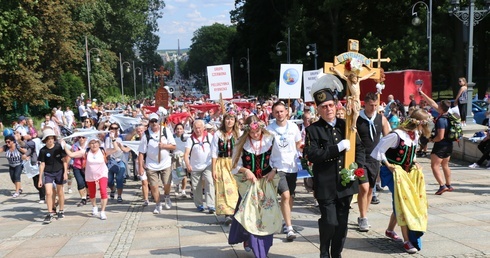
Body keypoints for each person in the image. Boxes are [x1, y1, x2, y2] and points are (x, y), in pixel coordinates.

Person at [303, 73, 365, 258]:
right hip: (326, 184)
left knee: (342, 223)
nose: (328, 109)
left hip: (345, 184)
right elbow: (312, 154)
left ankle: (336, 254)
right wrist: (336, 148)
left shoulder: (346, 125)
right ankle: (324, 251)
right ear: (318, 109)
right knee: (330, 221)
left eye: (330, 105)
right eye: (324, 107)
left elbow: (360, 148)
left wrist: (357, 168)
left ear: (336, 104)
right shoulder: (313, 130)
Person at [371, 108, 431, 254]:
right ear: (418, 123)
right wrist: (388, 165)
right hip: (392, 173)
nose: (425, 129)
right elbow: (379, 150)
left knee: (400, 202)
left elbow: (412, 153)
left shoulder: (415, 134)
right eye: (424, 125)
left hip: (406, 172)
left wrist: (415, 162)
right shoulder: (397, 135)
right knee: (402, 204)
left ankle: (390, 230)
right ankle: (406, 240)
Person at [228, 115, 281, 258]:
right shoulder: (241, 143)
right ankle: (253, 244)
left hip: (265, 183)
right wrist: (246, 171)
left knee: (266, 215)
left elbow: (278, 160)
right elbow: (235, 166)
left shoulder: (270, 140)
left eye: (257, 132)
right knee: (249, 214)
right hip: (248, 184)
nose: (255, 135)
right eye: (252, 133)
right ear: (247, 132)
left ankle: (263, 247)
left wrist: (273, 171)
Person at [267, 101, 302, 241]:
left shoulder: (293, 127)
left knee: (290, 196)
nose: (279, 114)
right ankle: (289, 228)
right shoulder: (269, 129)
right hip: (277, 167)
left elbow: (299, 144)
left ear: (287, 112)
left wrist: (304, 150)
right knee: (285, 196)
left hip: (292, 166)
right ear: (273, 113)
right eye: (277, 112)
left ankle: (285, 220)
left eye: (282, 111)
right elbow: (265, 149)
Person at [355, 92, 391, 232]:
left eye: (376, 105)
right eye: (371, 105)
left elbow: (388, 137)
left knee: (370, 188)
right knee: (363, 188)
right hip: (360, 157)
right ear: (365, 104)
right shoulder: (358, 118)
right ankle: (363, 218)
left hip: (375, 158)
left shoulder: (381, 118)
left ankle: (363, 214)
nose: (373, 108)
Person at [63, 137, 116, 220]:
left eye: (96, 143)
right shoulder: (85, 152)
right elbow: (71, 154)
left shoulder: (103, 151)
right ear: (89, 145)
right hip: (90, 175)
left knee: (103, 190)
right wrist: (64, 146)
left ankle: (102, 211)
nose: (94, 145)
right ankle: (94, 206)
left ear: (99, 144)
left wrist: (113, 139)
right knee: (92, 192)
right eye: (92, 143)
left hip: (102, 174)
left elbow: (116, 149)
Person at [138, 113, 176, 214]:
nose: (154, 123)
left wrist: (164, 146)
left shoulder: (165, 131)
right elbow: (141, 152)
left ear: (159, 121)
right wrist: (140, 167)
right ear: (149, 123)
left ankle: (167, 196)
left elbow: (173, 146)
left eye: (156, 121)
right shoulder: (146, 135)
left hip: (165, 163)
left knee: (167, 183)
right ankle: (158, 204)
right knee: (154, 186)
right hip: (151, 164)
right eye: (152, 121)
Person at [420, 90, 454, 195]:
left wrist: (431, 140)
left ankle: (442, 185)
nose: (437, 105)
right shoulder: (449, 115)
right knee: (445, 164)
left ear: (441, 108)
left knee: (434, 166)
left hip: (441, 145)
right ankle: (448, 185)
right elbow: (432, 103)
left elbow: (440, 136)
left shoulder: (441, 120)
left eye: (438, 105)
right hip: (449, 144)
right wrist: (423, 93)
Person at [211, 112, 240, 225]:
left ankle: (235, 211)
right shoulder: (218, 134)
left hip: (234, 163)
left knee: (235, 187)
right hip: (222, 162)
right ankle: (228, 214)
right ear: (224, 121)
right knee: (225, 187)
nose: (229, 121)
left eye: (232, 119)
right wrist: (213, 169)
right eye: (227, 119)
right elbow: (213, 153)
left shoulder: (238, 133)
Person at [183, 119, 215, 213]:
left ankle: (211, 205)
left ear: (203, 128)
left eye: (199, 128)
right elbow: (186, 154)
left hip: (207, 164)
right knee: (196, 186)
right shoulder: (190, 139)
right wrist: (188, 164)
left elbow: (214, 150)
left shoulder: (209, 136)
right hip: (195, 166)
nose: (198, 130)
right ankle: (199, 204)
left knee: (210, 182)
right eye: (196, 128)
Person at [330, 66, 375, 131]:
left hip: (358, 99)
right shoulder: (349, 82)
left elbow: (365, 77)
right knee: (356, 113)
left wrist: (371, 73)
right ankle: (353, 125)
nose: (355, 80)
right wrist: (335, 70)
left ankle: (353, 125)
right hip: (353, 99)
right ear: (351, 79)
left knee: (357, 113)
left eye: (355, 78)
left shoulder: (358, 81)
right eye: (353, 79)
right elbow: (342, 76)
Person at [38, 128, 69, 224]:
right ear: (45, 140)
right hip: (48, 172)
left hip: (59, 170)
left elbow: (64, 160)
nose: (50, 140)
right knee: (48, 192)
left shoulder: (58, 147)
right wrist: (40, 178)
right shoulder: (43, 150)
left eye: (52, 138)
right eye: (48, 139)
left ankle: (61, 210)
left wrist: (65, 172)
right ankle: (50, 212)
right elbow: (42, 164)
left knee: (60, 191)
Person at [105, 123, 131, 202]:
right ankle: (113, 189)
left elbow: (126, 148)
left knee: (119, 179)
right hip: (110, 160)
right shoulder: (107, 138)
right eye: (112, 128)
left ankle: (119, 196)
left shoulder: (121, 137)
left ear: (118, 129)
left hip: (120, 160)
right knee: (109, 181)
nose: (114, 129)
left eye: (116, 128)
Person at [68, 136, 89, 207]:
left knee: (87, 183)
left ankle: (88, 195)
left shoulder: (89, 145)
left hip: (87, 167)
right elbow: (70, 155)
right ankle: (83, 198)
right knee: (80, 182)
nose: (81, 139)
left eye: (83, 137)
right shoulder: (74, 146)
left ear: (86, 138)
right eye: (79, 137)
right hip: (77, 166)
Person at [172, 123, 189, 198]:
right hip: (175, 158)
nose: (179, 130)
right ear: (175, 130)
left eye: (180, 129)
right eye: (177, 129)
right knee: (177, 174)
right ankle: (177, 186)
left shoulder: (187, 138)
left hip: (183, 158)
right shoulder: (172, 138)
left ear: (183, 130)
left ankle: (183, 190)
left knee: (183, 175)